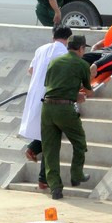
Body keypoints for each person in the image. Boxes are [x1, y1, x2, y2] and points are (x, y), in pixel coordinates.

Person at [19, 25, 73, 190]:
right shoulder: (64, 54)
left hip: (36, 95)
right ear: (68, 38)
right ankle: (43, 177)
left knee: (48, 133)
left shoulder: (41, 49)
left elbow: (31, 70)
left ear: (53, 36)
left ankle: (34, 149)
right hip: (53, 98)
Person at [41, 35, 95, 200]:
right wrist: (78, 93)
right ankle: (76, 174)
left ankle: (55, 187)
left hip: (47, 108)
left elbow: (50, 85)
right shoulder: (82, 64)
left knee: (50, 149)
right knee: (79, 142)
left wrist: (71, 93)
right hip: (65, 109)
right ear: (80, 49)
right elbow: (89, 91)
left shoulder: (54, 62)